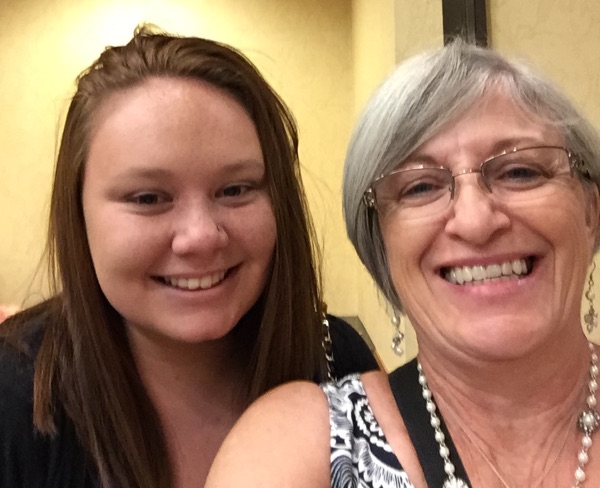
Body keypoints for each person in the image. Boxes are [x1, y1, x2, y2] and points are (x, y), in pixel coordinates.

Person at [206, 38, 600, 488]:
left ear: (591, 211)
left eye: (520, 172)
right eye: (420, 187)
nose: (475, 222)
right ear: (380, 243)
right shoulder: (300, 447)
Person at [0, 26, 376, 488]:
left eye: (235, 189)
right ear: (78, 214)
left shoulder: (336, 361)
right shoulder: (12, 393)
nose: (200, 237)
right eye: (148, 198)